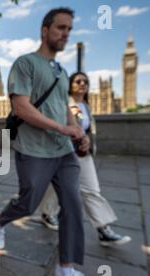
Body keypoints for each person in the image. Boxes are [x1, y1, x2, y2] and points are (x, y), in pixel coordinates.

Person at [0, 8, 102, 276]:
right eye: (60, 28)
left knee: (73, 205)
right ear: (45, 30)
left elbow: (65, 107)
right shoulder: (25, 63)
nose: (66, 34)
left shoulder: (62, 72)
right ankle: (0, 221)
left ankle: (67, 268)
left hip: (63, 152)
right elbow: (22, 108)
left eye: (69, 29)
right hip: (33, 150)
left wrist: (76, 131)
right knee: (28, 202)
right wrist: (61, 128)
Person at [39, 72, 132, 247]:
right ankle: (47, 213)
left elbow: (86, 129)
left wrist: (87, 138)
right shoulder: (63, 103)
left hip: (82, 153)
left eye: (85, 82)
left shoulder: (86, 105)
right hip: (64, 153)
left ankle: (103, 229)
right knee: (57, 187)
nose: (83, 84)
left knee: (91, 190)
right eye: (78, 81)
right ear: (70, 84)